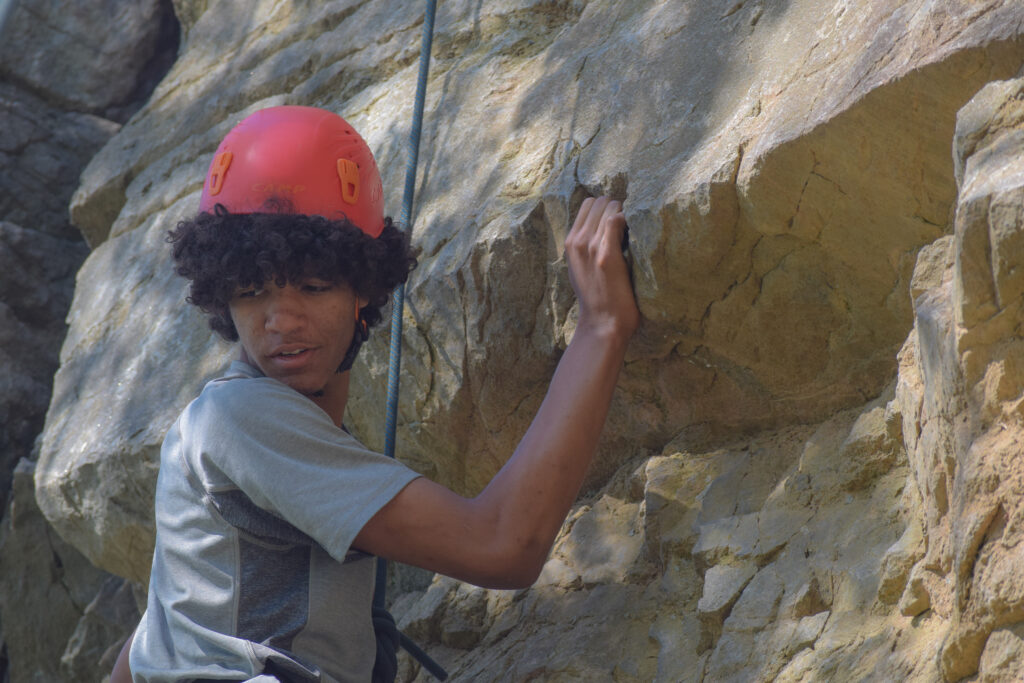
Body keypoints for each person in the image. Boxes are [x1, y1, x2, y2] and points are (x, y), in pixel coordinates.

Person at [113, 105, 638, 682]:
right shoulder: (239, 417)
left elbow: (145, 644)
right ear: (222, 298)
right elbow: (503, 544)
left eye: (313, 287)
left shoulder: (223, 425)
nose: (280, 321)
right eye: (251, 291)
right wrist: (601, 327)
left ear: (363, 289)